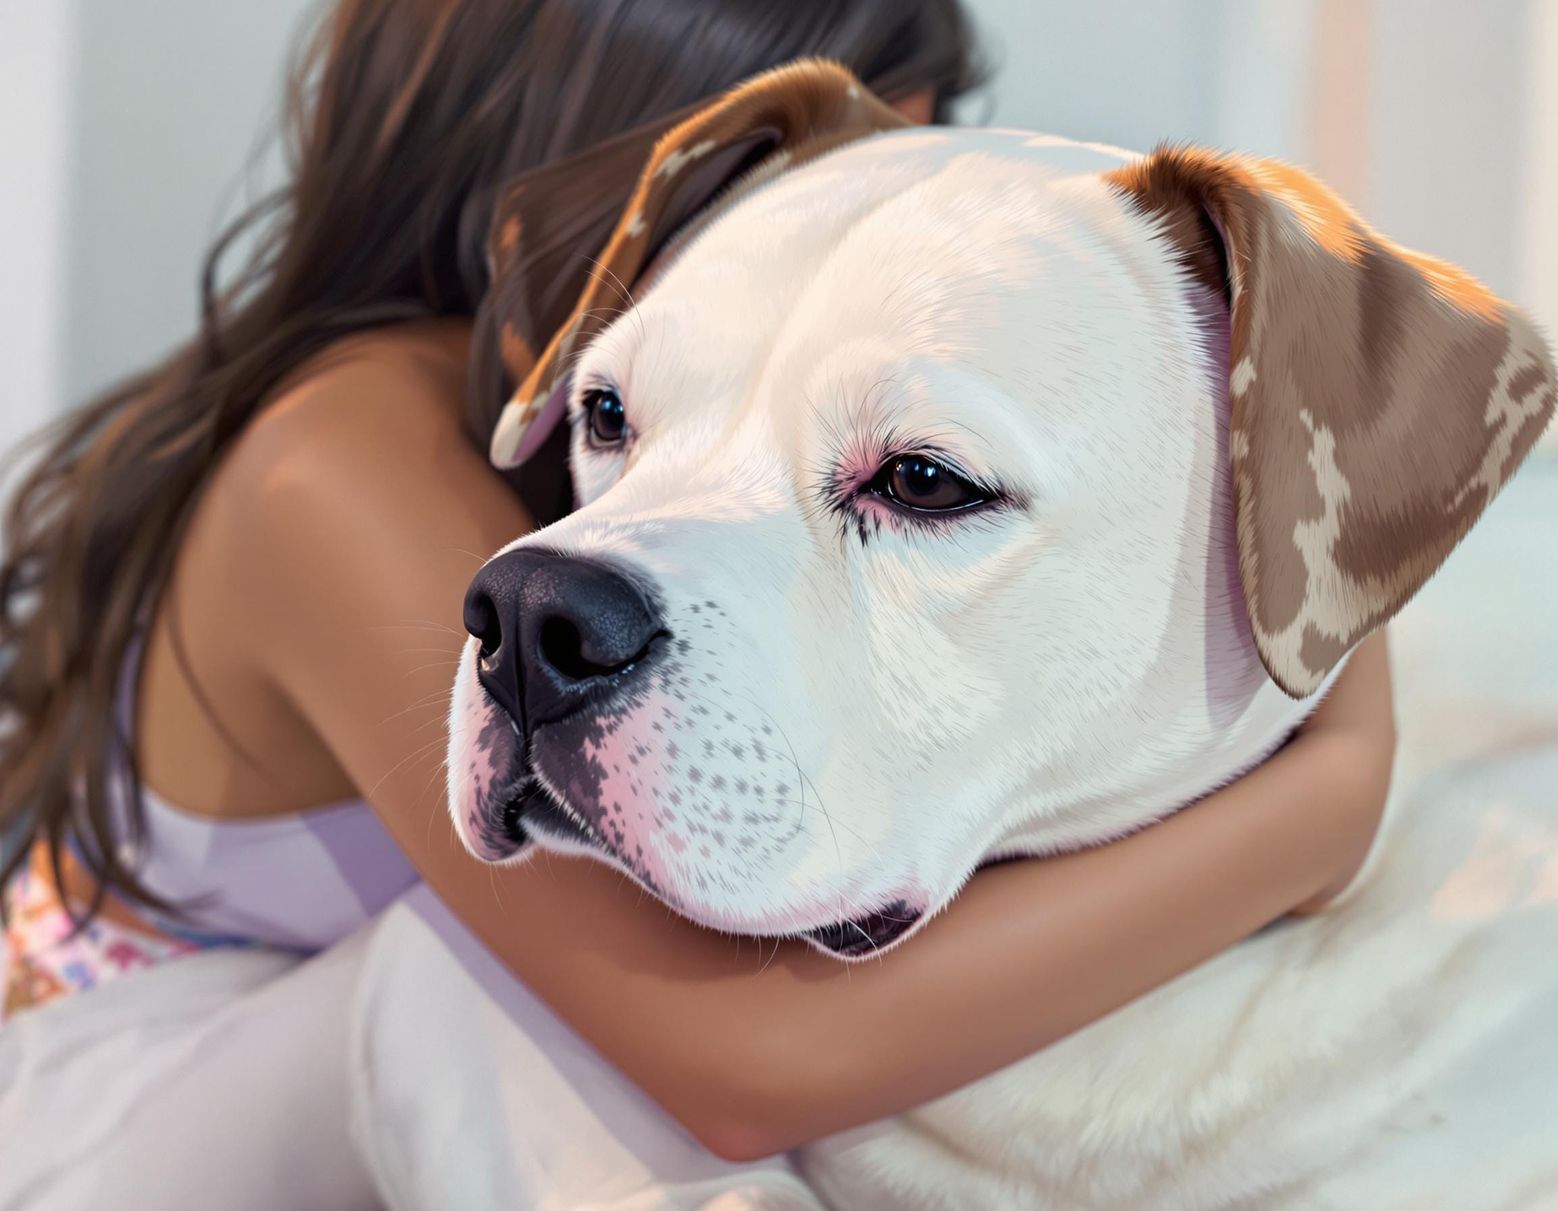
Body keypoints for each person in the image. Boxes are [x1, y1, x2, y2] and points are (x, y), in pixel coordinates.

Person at [0, 0, 1394, 1199]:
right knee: (448, 982)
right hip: (101, 1115)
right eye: (910, 125)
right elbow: (744, 1063)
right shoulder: (337, 456)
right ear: (665, 153)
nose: (912, 186)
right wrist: (1325, 797)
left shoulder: (674, 450)